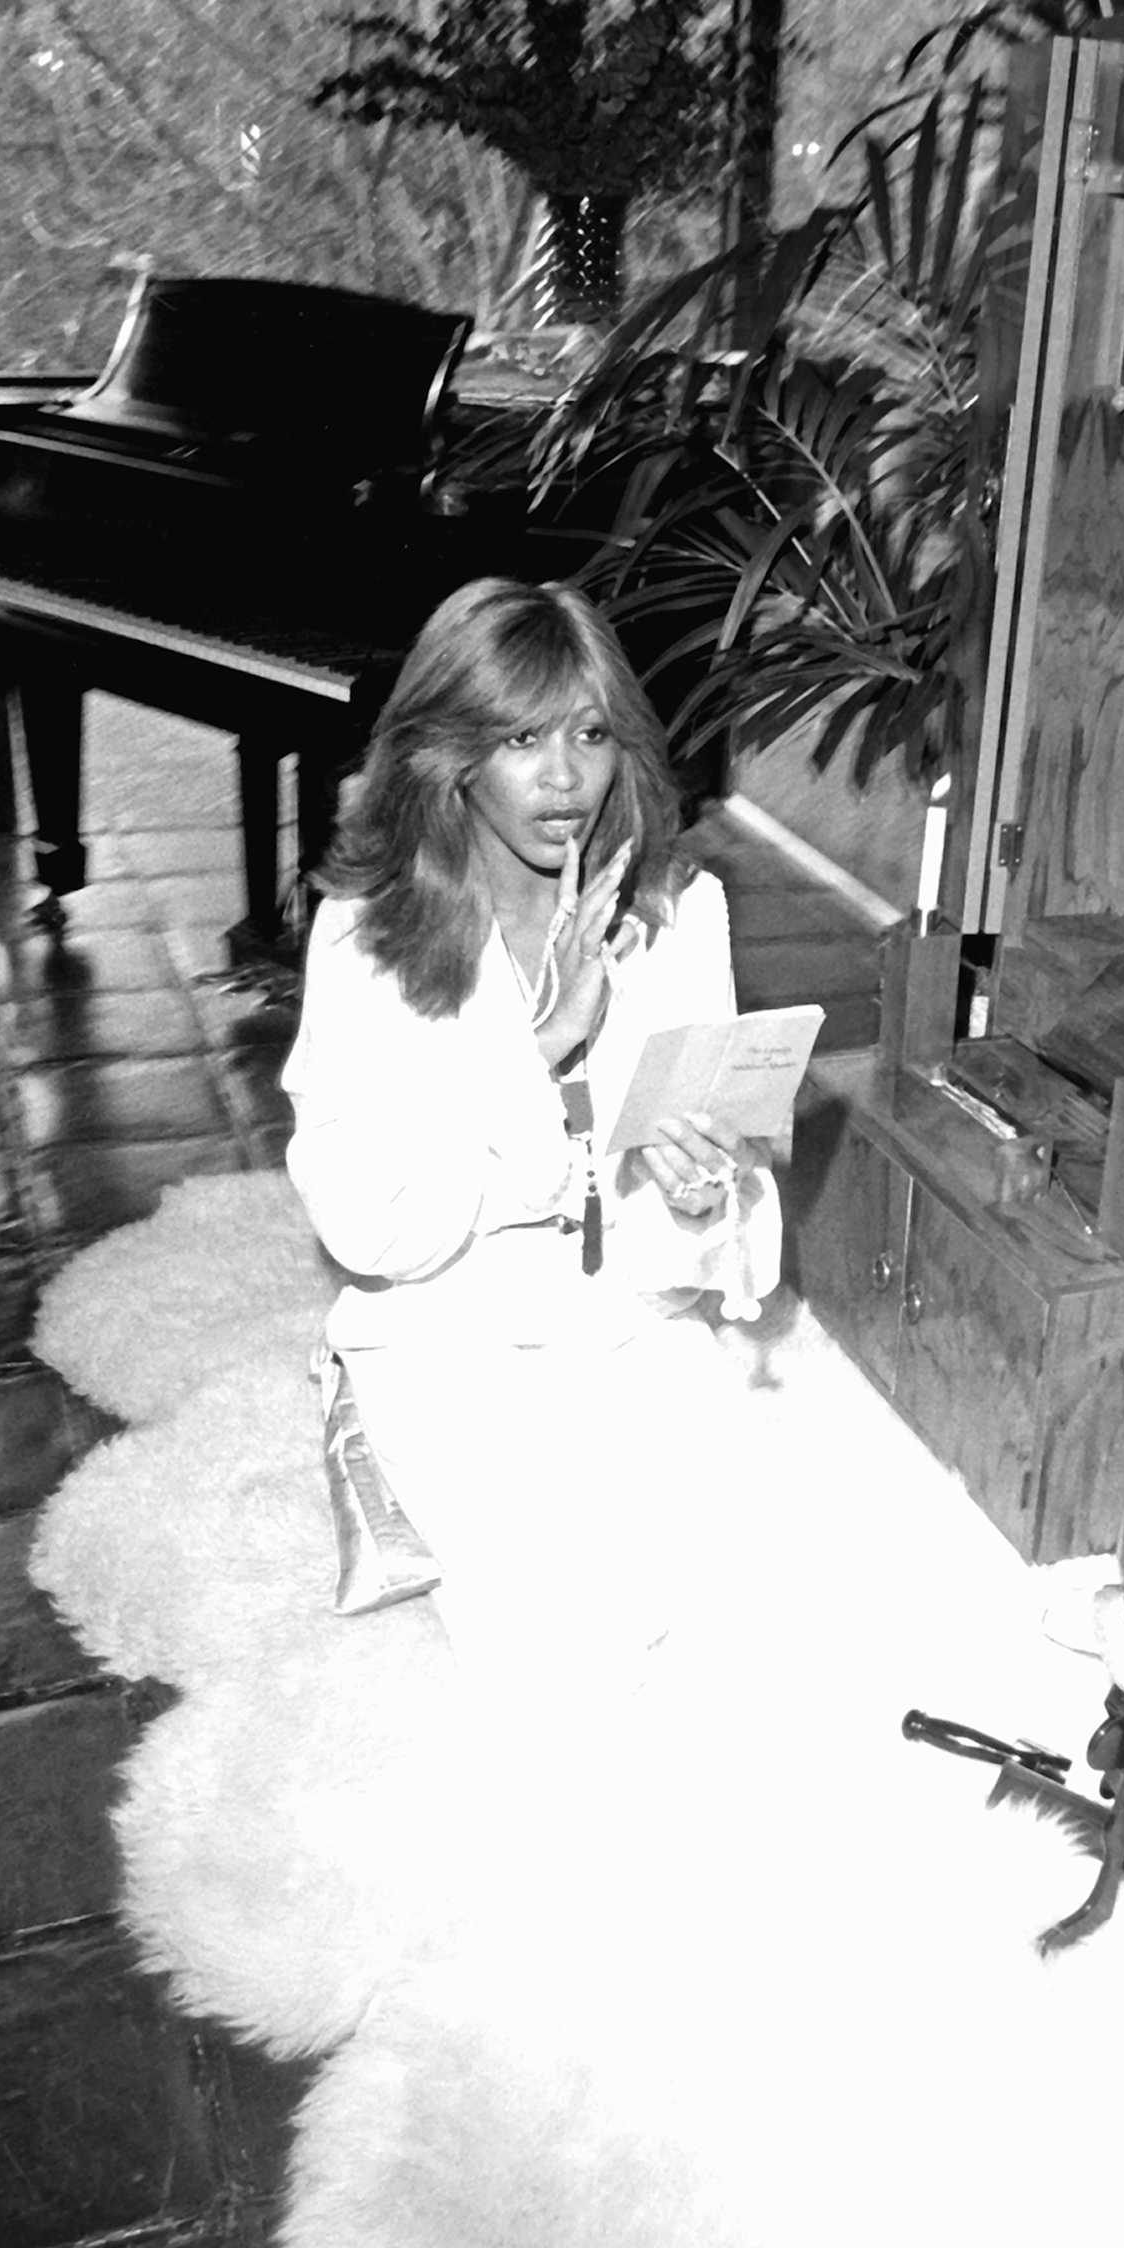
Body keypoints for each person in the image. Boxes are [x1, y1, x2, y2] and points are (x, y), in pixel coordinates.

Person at [281, 575, 782, 1680]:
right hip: (443, 1336)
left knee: (722, 1598)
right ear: (450, 753)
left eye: (592, 734)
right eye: (519, 737)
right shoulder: (365, 934)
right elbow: (375, 1235)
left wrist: (706, 1189)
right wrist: (541, 1051)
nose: (564, 777)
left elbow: (708, 1240)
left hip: (626, 1323)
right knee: (556, 1637)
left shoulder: (678, 909)